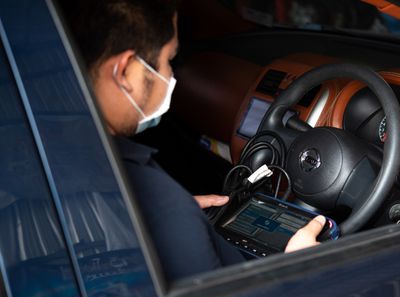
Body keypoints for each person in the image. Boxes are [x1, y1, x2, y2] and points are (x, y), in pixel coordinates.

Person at [60, 0, 325, 282]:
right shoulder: (164, 207)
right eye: (168, 60)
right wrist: (297, 268)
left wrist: (179, 214)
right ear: (125, 72)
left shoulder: (69, 158)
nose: (171, 76)